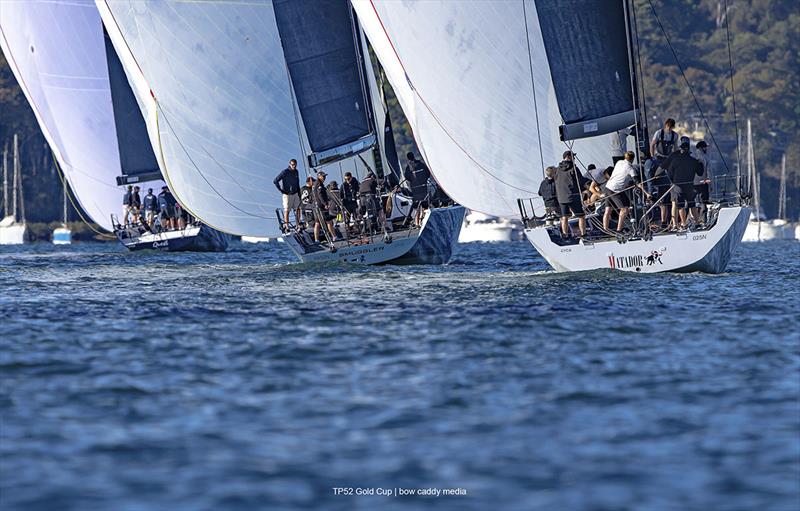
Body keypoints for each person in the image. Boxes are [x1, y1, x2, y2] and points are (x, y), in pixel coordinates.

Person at [660, 139, 703, 230]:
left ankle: (683, 224)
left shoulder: (675, 160)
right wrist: (700, 164)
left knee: (680, 205)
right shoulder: (693, 160)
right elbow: (700, 173)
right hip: (689, 185)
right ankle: (697, 222)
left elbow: (670, 174)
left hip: (677, 186)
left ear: (681, 150)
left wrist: (674, 182)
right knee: (692, 204)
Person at [603, 151, 650, 232]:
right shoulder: (631, 168)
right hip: (615, 190)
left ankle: (605, 230)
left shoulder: (619, 162)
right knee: (625, 209)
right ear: (632, 159)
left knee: (608, 210)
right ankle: (619, 230)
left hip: (607, 187)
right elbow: (637, 182)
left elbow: (621, 175)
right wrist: (647, 193)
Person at [554, 151, 586, 237]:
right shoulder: (574, 168)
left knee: (565, 217)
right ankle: (583, 235)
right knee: (581, 216)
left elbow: (556, 182)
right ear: (568, 157)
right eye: (573, 157)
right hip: (573, 196)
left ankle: (565, 236)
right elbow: (581, 181)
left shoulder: (557, 169)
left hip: (561, 197)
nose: (574, 159)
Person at [273, 159, 301, 231]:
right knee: (287, 210)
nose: (294, 166)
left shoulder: (296, 171)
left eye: (295, 165)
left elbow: (297, 183)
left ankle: (298, 225)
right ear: (289, 164)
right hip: (287, 195)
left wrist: (299, 194)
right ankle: (287, 226)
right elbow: (275, 181)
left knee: (298, 209)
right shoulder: (285, 172)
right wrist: (282, 191)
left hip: (295, 194)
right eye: (292, 165)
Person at [405, 152, 431, 226]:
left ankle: (417, 223)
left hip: (415, 190)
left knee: (417, 207)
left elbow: (407, 177)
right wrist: (424, 180)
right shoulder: (421, 164)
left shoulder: (408, 167)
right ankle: (427, 221)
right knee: (425, 205)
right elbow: (427, 173)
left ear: (408, 158)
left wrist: (413, 182)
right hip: (423, 188)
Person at [312, 171, 336, 242]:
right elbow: (320, 195)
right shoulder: (319, 184)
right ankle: (334, 236)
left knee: (317, 223)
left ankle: (316, 240)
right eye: (323, 176)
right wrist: (325, 204)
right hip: (321, 206)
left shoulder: (316, 183)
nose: (324, 178)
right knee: (329, 221)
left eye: (325, 176)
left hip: (316, 206)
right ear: (319, 176)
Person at [692, 140, 711, 223]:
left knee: (694, 202)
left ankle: (694, 220)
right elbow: (709, 172)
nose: (706, 148)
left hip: (693, 184)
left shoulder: (693, 156)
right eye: (705, 147)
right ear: (702, 148)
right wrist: (710, 183)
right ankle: (703, 220)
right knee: (704, 202)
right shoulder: (705, 158)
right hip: (703, 183)